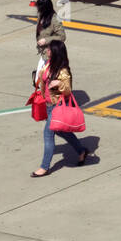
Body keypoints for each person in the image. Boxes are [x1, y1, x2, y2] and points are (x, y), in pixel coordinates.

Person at [31, 40, 90, 176]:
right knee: (61, 131)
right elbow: (43, 80)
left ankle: (44, 167)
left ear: (56, 52)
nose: (47, 51)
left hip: (57, 106)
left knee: (48, 133)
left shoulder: (63, 70)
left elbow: (68, 90)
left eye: (50, 50)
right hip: (48, 105)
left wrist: (59, 84)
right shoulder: (47, 64)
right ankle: (81, 150)